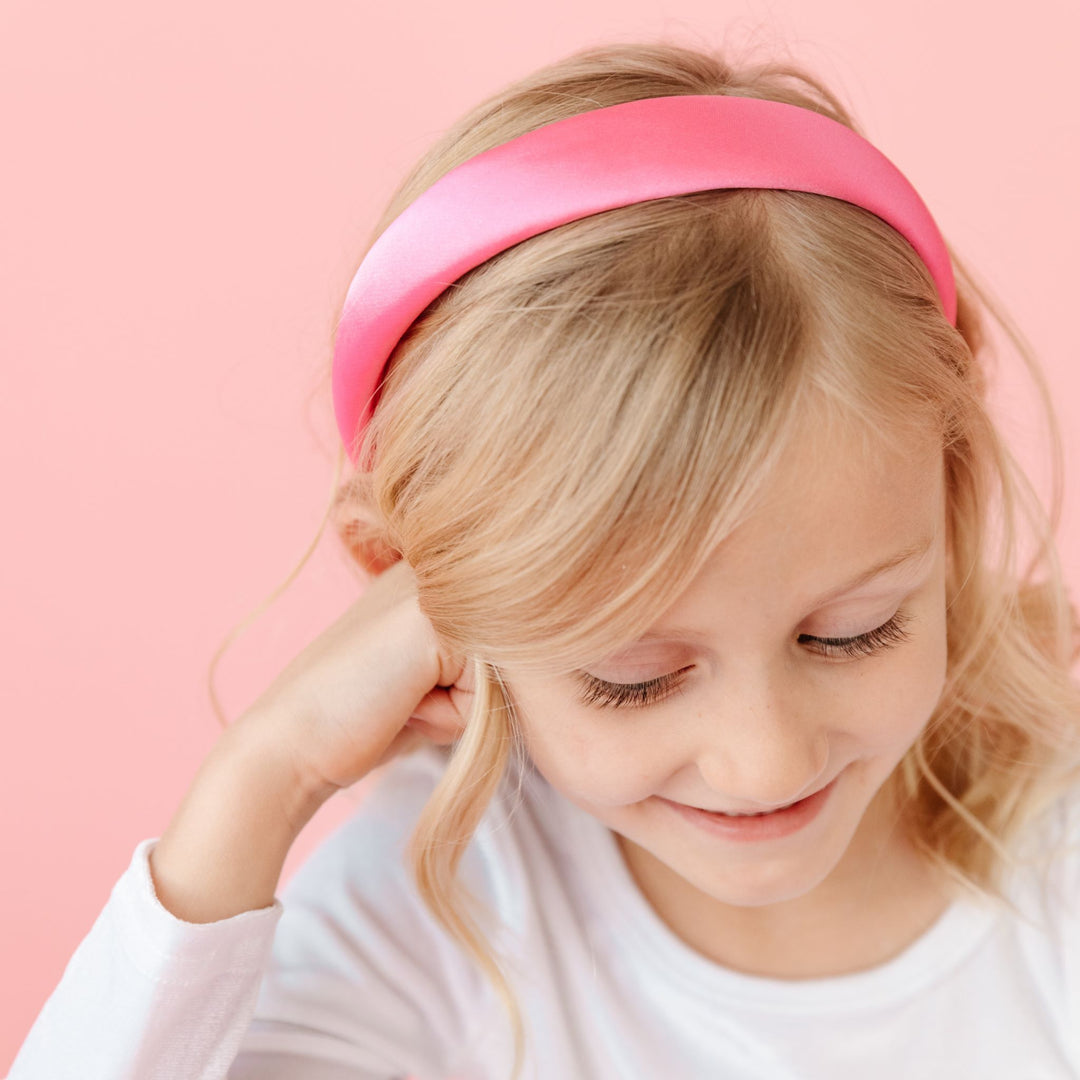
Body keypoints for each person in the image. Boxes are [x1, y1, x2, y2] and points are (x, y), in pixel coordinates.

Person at [8, 38, 1080, 1080]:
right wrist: (264, 775)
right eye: (635, 677)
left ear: (948, 496)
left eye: (854, 633)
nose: (767, 762)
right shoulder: (449, 916)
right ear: (434, 606)